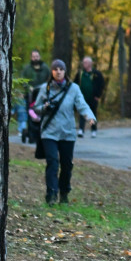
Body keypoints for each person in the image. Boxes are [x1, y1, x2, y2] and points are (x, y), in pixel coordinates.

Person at [34, 59, 95, 204]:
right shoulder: (46, 88)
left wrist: (89, 117)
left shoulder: (73, 88)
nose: (58, 72)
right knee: (52, 162)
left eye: (61, 69)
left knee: (66, 165)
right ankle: (51, 194)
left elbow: (81, 104)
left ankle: (64, 192)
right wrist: (44, 108)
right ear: (52, 71)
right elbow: (36, 107)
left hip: (67, 132)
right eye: (55, 69)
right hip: (49, 132)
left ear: (65, 71)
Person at [21, 49, 51, 141]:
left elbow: (50, 80)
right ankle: (31, 135)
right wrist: (28, 87)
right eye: (33, 57)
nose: (35, 58)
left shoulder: (45, 68)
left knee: (42, 114)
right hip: (30, 95)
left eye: (37, 56)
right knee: (31, 114)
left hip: (42, 96)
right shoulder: (27, 68)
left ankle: (41, 133)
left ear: (39, 57)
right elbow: (22, 80)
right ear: (31, 57)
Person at [73, 56, 104, 138]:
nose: (84, 64)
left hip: (93, 98)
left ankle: (93, 130)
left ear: (90, 64)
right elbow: (74, 83)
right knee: (82, 113)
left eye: (86, 62)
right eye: (83, 62)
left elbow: (101, 85)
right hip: (82, 98)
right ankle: (81, 130)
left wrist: (98, 95)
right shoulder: (80, 73)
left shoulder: (96, 74)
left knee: (92, 113)